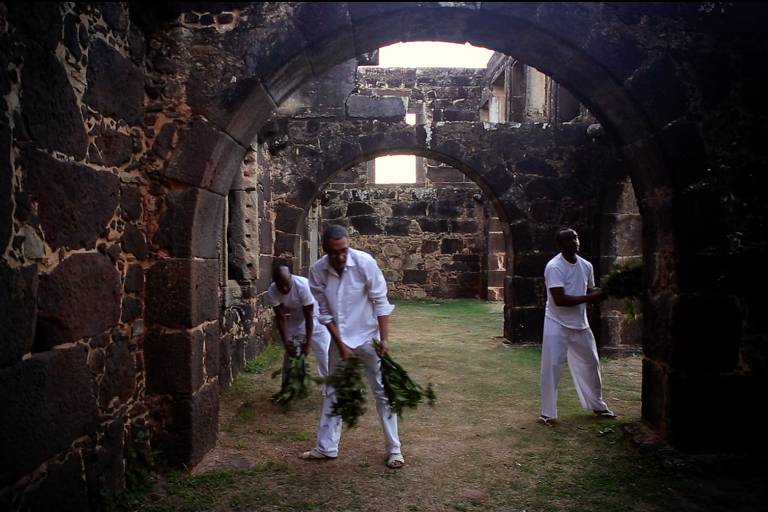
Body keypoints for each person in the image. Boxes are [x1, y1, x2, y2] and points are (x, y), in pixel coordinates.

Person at [299, 224, 404, 469]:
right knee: (333, 391)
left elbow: (380, 301)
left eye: (344, 250)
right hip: (340, 340)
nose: (340, 256)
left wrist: (384, 339)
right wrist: (341, 345)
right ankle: (326, 447)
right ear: (325, 250)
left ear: (348, 244)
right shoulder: (317, 271)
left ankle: (394, 450)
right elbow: (324, 314)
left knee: (383, 392)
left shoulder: (365, 262)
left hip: (369, 336)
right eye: (334, 252)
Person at [538, 228, 616, 426]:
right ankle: (548, 413)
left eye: (576, 237)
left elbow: (590, 288)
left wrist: (610, 289)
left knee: (591, 363)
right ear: (560, 245)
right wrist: (592, 297)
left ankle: (598, 405)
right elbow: (560, 299)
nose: (574, 242)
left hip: (580, 323)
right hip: (556, 321)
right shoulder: (554, 267)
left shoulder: (586, 266)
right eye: (569, 239)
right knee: (552, 366)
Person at [267, 262, 331, 385]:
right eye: (281, 286)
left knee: (324, 352)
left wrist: (307, 343)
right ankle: (288, 386)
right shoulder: (272, 291)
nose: (284, 289)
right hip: (296, 318)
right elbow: (280, 318)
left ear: (291, 277)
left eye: (286, 285)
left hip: (315, 317)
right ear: (275, 282)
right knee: (291, 352)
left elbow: (309, 317)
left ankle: (329, 385)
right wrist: (286, 343)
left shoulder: (303, 285)